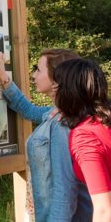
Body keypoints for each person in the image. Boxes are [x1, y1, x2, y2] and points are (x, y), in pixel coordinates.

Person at [0, 48, 92, 221]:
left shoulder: (62, 124)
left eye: (38, 69)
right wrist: (4, 79)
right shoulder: (55, 114)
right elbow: (29, 110)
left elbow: (64, 193)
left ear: (57, 79)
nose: (33, 75)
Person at [53, 58, 111, 222]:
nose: (53, 91)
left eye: (57, 86)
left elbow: (104, 210)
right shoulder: (103, 121)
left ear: (68, 91)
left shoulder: (85, 137)